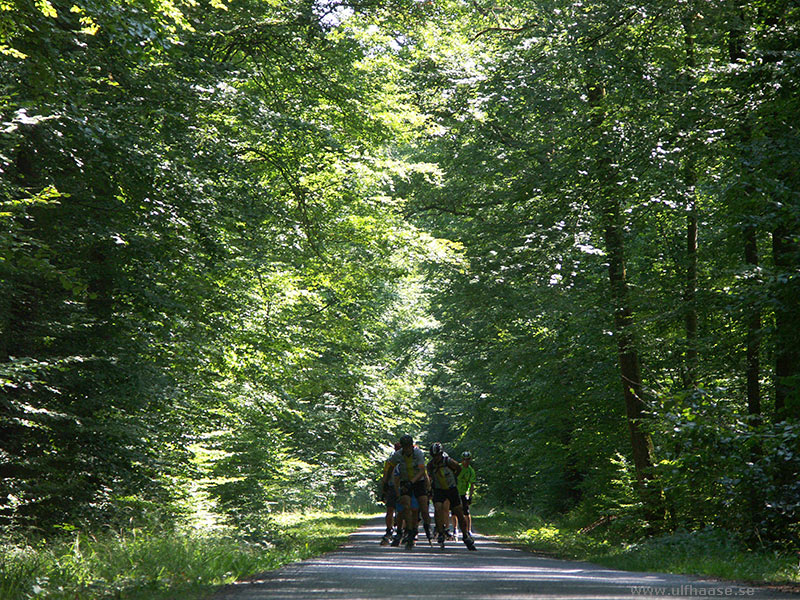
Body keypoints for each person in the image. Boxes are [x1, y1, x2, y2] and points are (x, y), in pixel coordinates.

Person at [382, 434, 431, 548]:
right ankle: (409, 530)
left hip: (418, 481)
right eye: (405, 447)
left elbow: (422, 471)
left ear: (411, 446)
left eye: (408, 446)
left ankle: (427, 526)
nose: (407, 449)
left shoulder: (418, 453)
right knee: (406, 506)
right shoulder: (398, 455)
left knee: (423, 507)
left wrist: (413, 482)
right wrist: (386, 482)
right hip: (405, 481)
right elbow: (390, 468)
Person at [427, 442, 476, 551]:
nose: (436, 458)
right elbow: (429, 477)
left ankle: (465, 535)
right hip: (439, 489)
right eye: (434, 456)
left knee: (459, 512)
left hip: (451, 489)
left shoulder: (448, 461)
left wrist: (453, 478)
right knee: (438, 509)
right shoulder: (430, 465)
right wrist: (430, 489)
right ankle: (440, 531)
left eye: (437, 455)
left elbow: (458, 468)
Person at [380, 442, 402, 545]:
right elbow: (386, 475)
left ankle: (400, 530)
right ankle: (389, 530)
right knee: (390, 510)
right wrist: (384, 488)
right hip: (392, 487)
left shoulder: (406, 461)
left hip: (402, 486)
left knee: (400, 510)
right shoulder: (390, 461)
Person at [452, 450, 476, 537]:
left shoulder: (470, 471)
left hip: (464, 493)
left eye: (468, 459)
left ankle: (468, 530)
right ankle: (455, 529)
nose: (466, 461)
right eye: (464, 459)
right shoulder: (457, 467)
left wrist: (470, 496)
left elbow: (472, 484)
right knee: (454, 512)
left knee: (466, 512)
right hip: (455, 492)